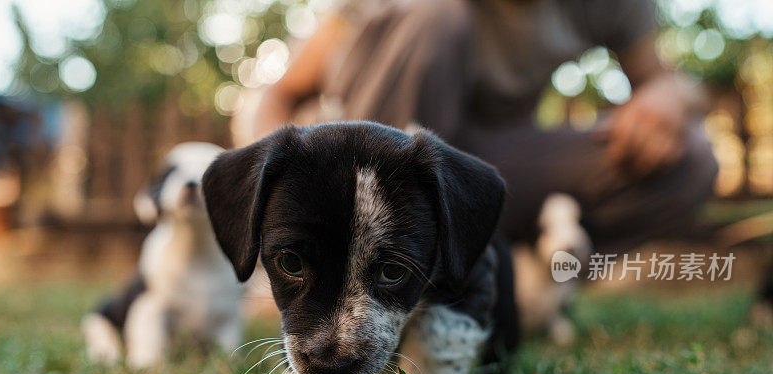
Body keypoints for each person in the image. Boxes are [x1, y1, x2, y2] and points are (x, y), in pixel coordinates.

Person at [250, 0, 718, 254]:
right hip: (367, 163)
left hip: (487, 166)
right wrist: (269, 192)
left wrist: (669, 95)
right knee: (434, 15)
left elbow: (664, 78)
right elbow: (280, 92)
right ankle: (366, 263)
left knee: (691, 160)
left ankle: (517, 277)